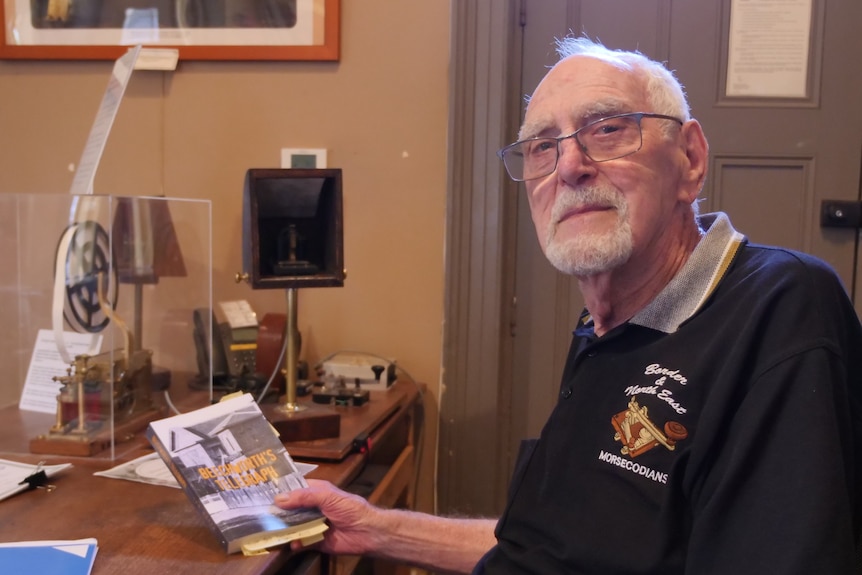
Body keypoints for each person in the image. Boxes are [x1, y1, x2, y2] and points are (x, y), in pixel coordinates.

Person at [275, 36, 862, 574]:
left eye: (606, 129)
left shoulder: (782, 308)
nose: (570, 166)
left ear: (689, 158)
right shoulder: (605, 325)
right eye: (541, 147)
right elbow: (555, 549)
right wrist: (376, 527)